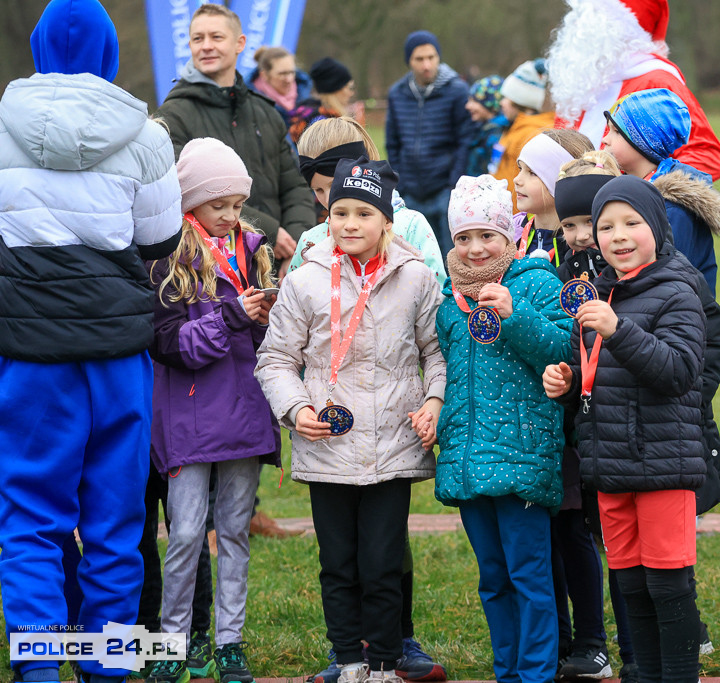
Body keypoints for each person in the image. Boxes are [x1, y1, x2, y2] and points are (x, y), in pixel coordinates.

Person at [0, 2, 182, 683]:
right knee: (115, 517)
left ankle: (39, 666)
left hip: (27, 348)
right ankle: (107, 666)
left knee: (28, 514)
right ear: (109, 52)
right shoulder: (145, 133)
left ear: (39, 47)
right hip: (113, 351)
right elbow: (159, 239)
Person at [256, 157, 447, 683]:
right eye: (340, 211)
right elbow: (275, 359)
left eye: (364, 213)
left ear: (387, 221)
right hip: (328, 448)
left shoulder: (415, 278)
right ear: (327, 215)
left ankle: (385, 663)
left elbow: (437, 352)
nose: (350, 224)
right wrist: (297, 409)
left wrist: (433, 402)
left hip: (392, 444)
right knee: (337, 563)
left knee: (384, 563)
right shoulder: (305, 279)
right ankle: (348, 661)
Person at [543, 174, 708, 683]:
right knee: (631, 583)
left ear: (656, 227)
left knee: (667, 585)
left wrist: (620, 329)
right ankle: (646, 673)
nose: (618, 235)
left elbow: (678, 372)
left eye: (631, 223)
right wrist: (568, 381)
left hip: (663, 465)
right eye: (606, 226)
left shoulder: (677, 292)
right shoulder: (601, 295)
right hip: (610, 468)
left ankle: (678, 675)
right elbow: (598, 376)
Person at [145, 137, 280, 683]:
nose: (229, 215)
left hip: (244, 415)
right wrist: (232, 316)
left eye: (237, 204)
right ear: (189, 203)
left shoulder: (256, 248)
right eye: (216, 204)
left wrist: (271, 316)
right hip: (190, 419)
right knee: (183, 535)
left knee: (235, 532)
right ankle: (172, 642)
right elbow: (172, 345)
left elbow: (278, 339)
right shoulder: (168, 258)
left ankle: (229, 641)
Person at [434, 174, 572, 683]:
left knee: (529, 576)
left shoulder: (536, 281)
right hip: (467, 460)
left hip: (522, 455)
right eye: (463, 237)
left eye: (487, 235)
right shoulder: (448, 302)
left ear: (510, 235)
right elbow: (442, 370)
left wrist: (515, 317)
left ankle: (536, 674)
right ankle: (507, 672)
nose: (475, 248)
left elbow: (562, 352)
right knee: (492, 579)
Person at [156, 3, 315, 282]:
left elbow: (295, 185)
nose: (206, 46)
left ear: (240, 43)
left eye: (216, 37)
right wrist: (268, 232)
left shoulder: (265, 112)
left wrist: (297, 246)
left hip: (282, 265)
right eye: (197, 38)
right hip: (211, 272)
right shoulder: (173, 115)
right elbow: (187, 191)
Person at [549, 155, 620, 682]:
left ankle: (600, 642)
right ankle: (570, 640)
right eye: (568, 225)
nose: (577, 236)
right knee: (570, 528)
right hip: (572, 422)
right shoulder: (564, 268)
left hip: (615, 423)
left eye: (585, 225)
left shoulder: (623, 271)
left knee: (600, 536)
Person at [546, 0, 720, 182]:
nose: (577, 28)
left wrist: (640, 191)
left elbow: (706, 156)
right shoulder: (581, 82)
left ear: (620, 29)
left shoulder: (657, 81)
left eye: (589, 18)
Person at [602, 88, 720, 296]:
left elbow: (667, 277)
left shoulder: (671, 208)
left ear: (643, 142)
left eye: (616, 132)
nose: (606, 139)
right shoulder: (630, 189)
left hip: (673, 319)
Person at [292, 116, 447, 286]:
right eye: (318, 190)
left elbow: (435, 292)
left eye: (334, 184)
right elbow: (293, 300)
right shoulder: (310, 241)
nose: (329, 199)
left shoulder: (410, 226)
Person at [385, 30, 474, 257]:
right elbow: (393, 143)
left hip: (445, 190)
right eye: (419, 59)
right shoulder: (397, 93)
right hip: (410, 192)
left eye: (431, 57)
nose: (426, 65)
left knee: (451, 256)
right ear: (409, 62)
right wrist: (399, 181)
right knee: (414, 256)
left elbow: (465, 141)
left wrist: (453, 183)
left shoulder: (457, 90)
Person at [512, 129, 593, 260]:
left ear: (560, 182)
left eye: (532, 173)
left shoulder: (582, 243)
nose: (517, 179)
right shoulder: (511, 231)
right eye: (520, 169)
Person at [491, 60, 556, 206]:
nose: (502, 103)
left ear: (519, 101)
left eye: (506, 98)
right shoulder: (514, 128)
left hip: (518, 218)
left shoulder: (533, 134)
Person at [289, 57, 365, 146]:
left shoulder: (307, 112)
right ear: (336, 89)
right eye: (350, 87)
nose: (351, 93)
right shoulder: (322, 122)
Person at [246, 46, 312, 128]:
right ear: (264, 75)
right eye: (282, 74)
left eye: (292, 72)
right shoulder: (249, 107)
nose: (289, 79)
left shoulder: (305, 95)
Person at [465, 75, 509, 178]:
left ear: (491, 104)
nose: (467, 106)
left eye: (474, 101)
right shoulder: (485, 129)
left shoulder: (496, 136)